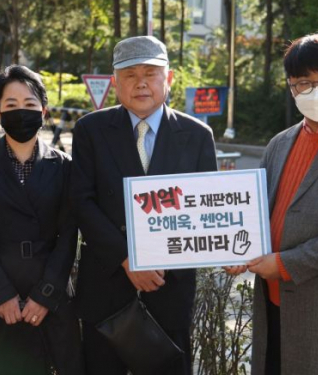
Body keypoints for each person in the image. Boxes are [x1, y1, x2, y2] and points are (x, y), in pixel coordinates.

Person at [224, 33, 318, 374]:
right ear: (291, 86)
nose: (316, 91)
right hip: (276, 306)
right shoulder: (280, 143)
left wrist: (285, 264)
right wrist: (234, 250)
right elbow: (253, 215)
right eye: (303, 83)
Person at [70, 35, 218, 374]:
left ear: (169, 78)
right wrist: (127, 258)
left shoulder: (197, 136)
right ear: (115, 82)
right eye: (130, 74)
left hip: (170, 290)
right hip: (107, 286)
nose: (140, 83)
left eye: (150, 73)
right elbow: (81, 202)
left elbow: (206, 212)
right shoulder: (90, 130)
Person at [0, 65, 84, 375]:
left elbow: (68, 235)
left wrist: (44, 295)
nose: (21, 112)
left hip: (51, 296)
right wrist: (2, 295)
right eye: (11, 105)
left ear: (43, 110)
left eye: (30, 105)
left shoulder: (64, 165)